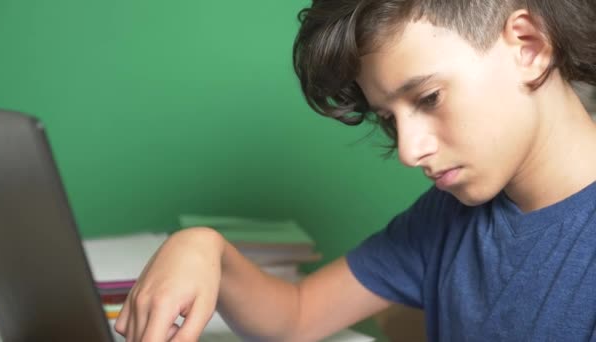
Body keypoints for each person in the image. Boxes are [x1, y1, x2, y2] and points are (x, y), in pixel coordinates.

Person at [115, 0, 596, 340]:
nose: (408, 151)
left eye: (428, 98)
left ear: (529, 46)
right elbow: (298, 316)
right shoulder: (445, 216)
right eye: (389, 117)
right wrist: (205, 248)